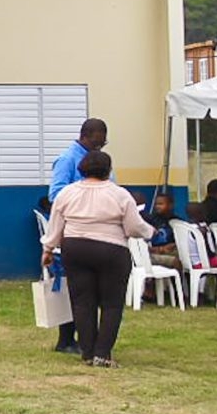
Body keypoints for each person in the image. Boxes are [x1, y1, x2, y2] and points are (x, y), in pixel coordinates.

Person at [41, 150, 149, 367]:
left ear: (81, 169)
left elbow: (55, 225)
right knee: (111, 304)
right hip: (111, 250)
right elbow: (133, 226)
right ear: (108, 170)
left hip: (75, 248)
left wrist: (48, 249)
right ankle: (103, 353)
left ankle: (87, 352)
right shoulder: (119, 194)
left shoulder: (67, 193)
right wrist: (150, 232)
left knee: (82, 302)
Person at [46, 118, 109, 354]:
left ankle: (86, 339)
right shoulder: (68, 159)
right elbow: (55, 195)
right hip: (74, 230)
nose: (100, 146)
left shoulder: (100, 161)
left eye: (103, 143)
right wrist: (85, 196)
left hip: (100, 232)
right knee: (72, 287)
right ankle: (65, 339)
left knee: (91, 289)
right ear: (86, 135)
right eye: (97, 142)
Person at [142, 190, 184, 270]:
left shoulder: (177, 221)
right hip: (154, 250)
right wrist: (158, 249)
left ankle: (179, 280)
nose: (157, 206)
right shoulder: (150, 220)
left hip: (170, 249)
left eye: (161, 204)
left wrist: (169, 247)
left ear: (171, 205)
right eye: (156, 204)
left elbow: (180, 241)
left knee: (182, 257)